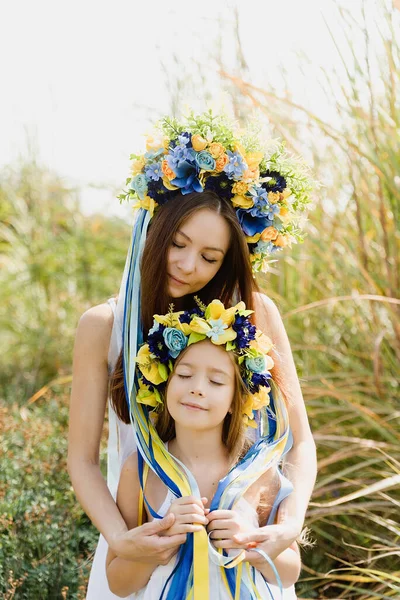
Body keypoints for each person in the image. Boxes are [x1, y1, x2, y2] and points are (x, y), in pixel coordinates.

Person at [67, 111, 317, 598]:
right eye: (178, 244)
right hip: (144, 539)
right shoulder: (104, 326)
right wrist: (123, 540)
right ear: (154, 230)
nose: (187, 265)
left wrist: (288, 527)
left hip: (244, 546)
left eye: (209, 257)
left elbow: (300, 444)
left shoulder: (256, 314)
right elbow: (82, 460)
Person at [106, 300, 300, 599]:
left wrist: (249, 543)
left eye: (216, 381)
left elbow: (290, 571)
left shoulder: (258, 471)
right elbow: (118, 583)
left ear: (238, 401)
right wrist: (165, 539)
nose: (197, 387)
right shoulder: (142, 471)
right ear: (165, 382)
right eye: (184, 375)